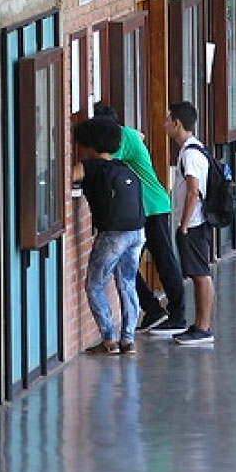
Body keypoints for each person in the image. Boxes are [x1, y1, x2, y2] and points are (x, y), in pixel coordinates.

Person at [94, 103, 186, 336]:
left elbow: (102, 158)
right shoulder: (129, 135)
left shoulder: (122, 138)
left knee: (163, 259)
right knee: (126, 263)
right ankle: (152, 309)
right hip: (135, 210)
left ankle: (178, 315)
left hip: (152, 206)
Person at [71, 115, 145, 357]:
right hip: (137, 231)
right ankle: (128, 339)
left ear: (90, 144)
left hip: (113, 234)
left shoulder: (90, 166)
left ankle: (108, 340)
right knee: (127, 283)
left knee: (94, 286)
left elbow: (65, 177)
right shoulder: (124, 167)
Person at [165, 102, 217, 348]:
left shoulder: (190, 154)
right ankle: (198, 325)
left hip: (194, 224)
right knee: (197, 274)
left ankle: (203, 327)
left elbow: (193, 192)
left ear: (177, 123)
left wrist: (184, 225)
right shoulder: (193, 149)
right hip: (195, 222)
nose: (165, 125)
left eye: (167, 120)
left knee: (200, 275)